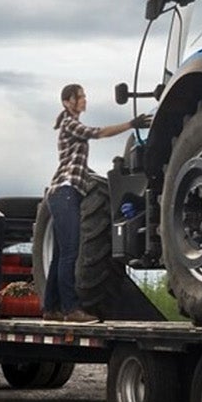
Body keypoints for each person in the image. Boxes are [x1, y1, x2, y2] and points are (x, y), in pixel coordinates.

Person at [45, 83, 150, 322]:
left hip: (67, 192)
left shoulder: (69, 123)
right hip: (65, 191)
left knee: (60, 254)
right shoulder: (70, 124)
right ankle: (71, 309)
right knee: (71, 252)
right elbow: (98, 133)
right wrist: (131, 125)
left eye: (84, 96)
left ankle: (51, 308)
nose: (85, 100)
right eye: (80, 97)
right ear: (67, 101)